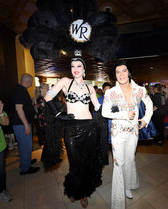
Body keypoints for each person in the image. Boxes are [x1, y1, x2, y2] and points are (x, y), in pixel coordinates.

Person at [44, 50, 103, 208]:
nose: (75, 68)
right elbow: (47, 97)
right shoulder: (65, 81)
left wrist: (115, 104)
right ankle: (74, 190)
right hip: (71, 129)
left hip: (89, 128)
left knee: (86, 162)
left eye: (79, 66)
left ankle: (83, 193)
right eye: (72, 66)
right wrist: (58, 114)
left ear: (84, 69)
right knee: (74, 163)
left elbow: (98, 107)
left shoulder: (90, 88)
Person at [102, 60, 153, 209]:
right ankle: (118, 201)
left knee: (130, 160)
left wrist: (145, 119)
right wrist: (125, 114)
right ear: (115, 75)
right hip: (118, 133)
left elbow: (149, 105)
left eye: (124, 71)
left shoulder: (139, 90)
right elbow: (105, 112)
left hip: (133, 132)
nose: (121, 74)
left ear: (129, 72)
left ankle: (128, 186)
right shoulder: (111, 92)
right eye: (118, 72)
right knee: (119, 163)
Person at [10, 73, 40, 175]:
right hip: (21, 124)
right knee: (25, 146)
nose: (32, 83)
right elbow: (18, 108)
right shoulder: (20, 90)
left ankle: (26, 162)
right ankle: (25, 169)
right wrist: (26, 125)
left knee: (25, 146)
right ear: (28, 81)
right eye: (31, 81)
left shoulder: (21, 89)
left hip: (21, 123)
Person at [36, 83, 49, 148]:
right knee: (47, 137)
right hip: (44, 120)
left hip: (48, 119)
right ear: (41, 89)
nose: (48, 89)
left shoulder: (46, 97)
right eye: (46, 88)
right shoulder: (40, 99)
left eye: (48, 88)